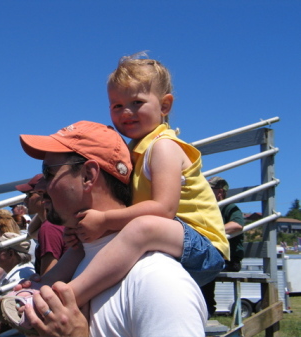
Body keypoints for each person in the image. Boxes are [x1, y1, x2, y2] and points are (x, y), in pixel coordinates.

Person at [29, 53, 229, 308]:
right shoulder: (133, 151)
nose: (126, 112)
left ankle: (69, 298)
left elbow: (164, 209)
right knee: (85, 238)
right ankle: (39, 288)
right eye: (117, 106)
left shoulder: (163, 147)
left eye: (137, 102)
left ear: (164, 106)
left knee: (140, 228)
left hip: (201, 245)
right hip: (168, 236)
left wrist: (103, 220)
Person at [16, 121, 207, 336]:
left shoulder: (157, 281)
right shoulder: (79, 260)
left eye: (48, 173)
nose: (40, 186)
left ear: (88, 176)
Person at [201, 176, 245, 317]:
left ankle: (207, 308)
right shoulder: (208, 208)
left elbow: (237, 225)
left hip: (230, 260)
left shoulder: (229, 207)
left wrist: (213, 231)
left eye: (209, 189)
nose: (204, 191)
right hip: (213, 255)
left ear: (220, 192)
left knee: (205, 266)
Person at [16, 174, 65, 275]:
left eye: (29, 195)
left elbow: (47, 277)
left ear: (43, 194)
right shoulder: (54, 224)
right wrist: (44, 210)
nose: (25, 200)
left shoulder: (49, 228)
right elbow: (32, 231)